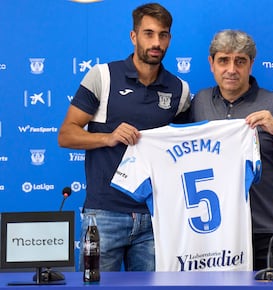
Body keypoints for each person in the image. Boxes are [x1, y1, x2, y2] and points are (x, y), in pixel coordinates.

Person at [58, 3, 191, 271]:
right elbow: (66, 135)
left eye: (162, 35)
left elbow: (184, 148)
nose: (156, 42)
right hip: (105, 214)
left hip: (156, 217)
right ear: (134, 36)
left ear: (169, 39)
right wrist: (107, 138)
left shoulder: (180, 89)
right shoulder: (103, 77)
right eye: (148, 33)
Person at [189, 29, 273, 271]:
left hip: (264, 234)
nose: (231, 69)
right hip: (211, 235)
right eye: (223, 60)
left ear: (251, 64)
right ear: (211, 63)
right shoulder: (199, 103)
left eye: (240, 61)